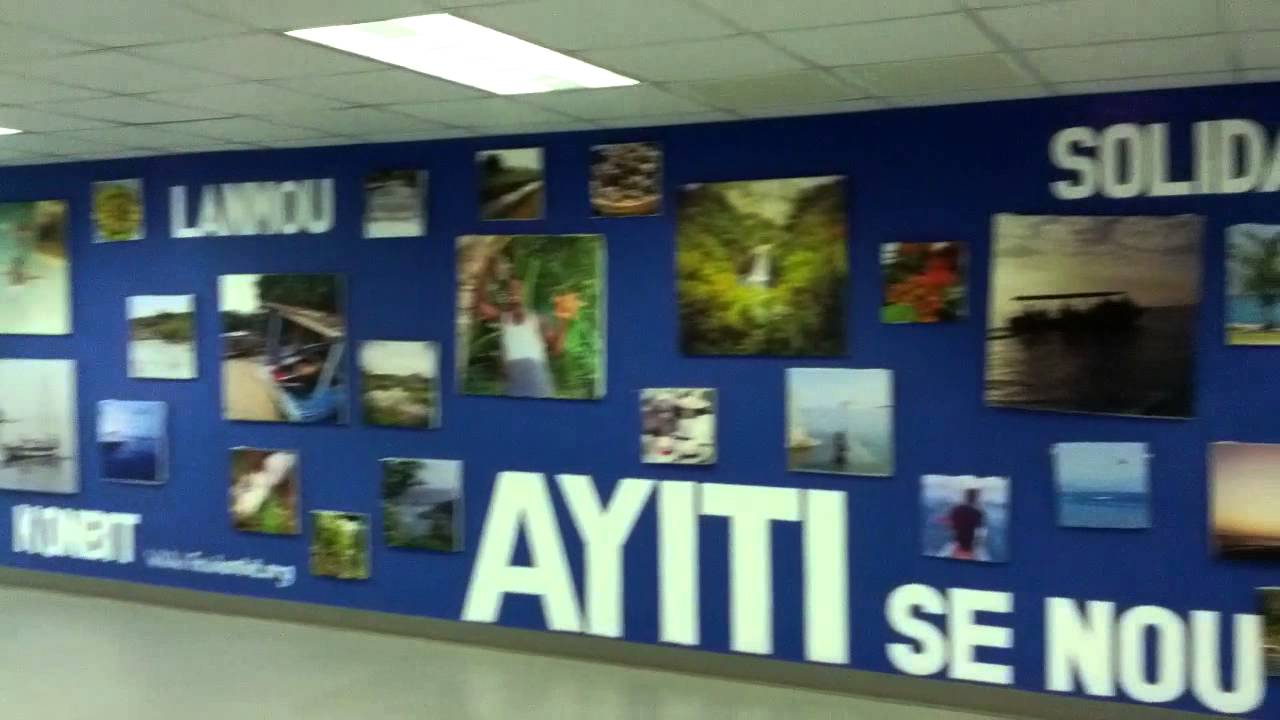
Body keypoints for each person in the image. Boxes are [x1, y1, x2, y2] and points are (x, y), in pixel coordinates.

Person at [471, 246, 578, 398]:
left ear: (524, 295)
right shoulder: (504, 318)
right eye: (510, 291)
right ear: (506, 296)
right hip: (512, 384)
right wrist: (486, 269)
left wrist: (565, 320)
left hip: (537, 382)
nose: (513, 295)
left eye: (517, 291)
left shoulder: (538, 320)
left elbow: (556, 349)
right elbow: (480, 306)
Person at [940, 488, 986, 561]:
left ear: (965, 496)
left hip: (957, 543)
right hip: (968, 545)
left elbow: (948, 524)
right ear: (976, 498)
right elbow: (980, 531)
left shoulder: (956, 509)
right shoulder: (978, 513)